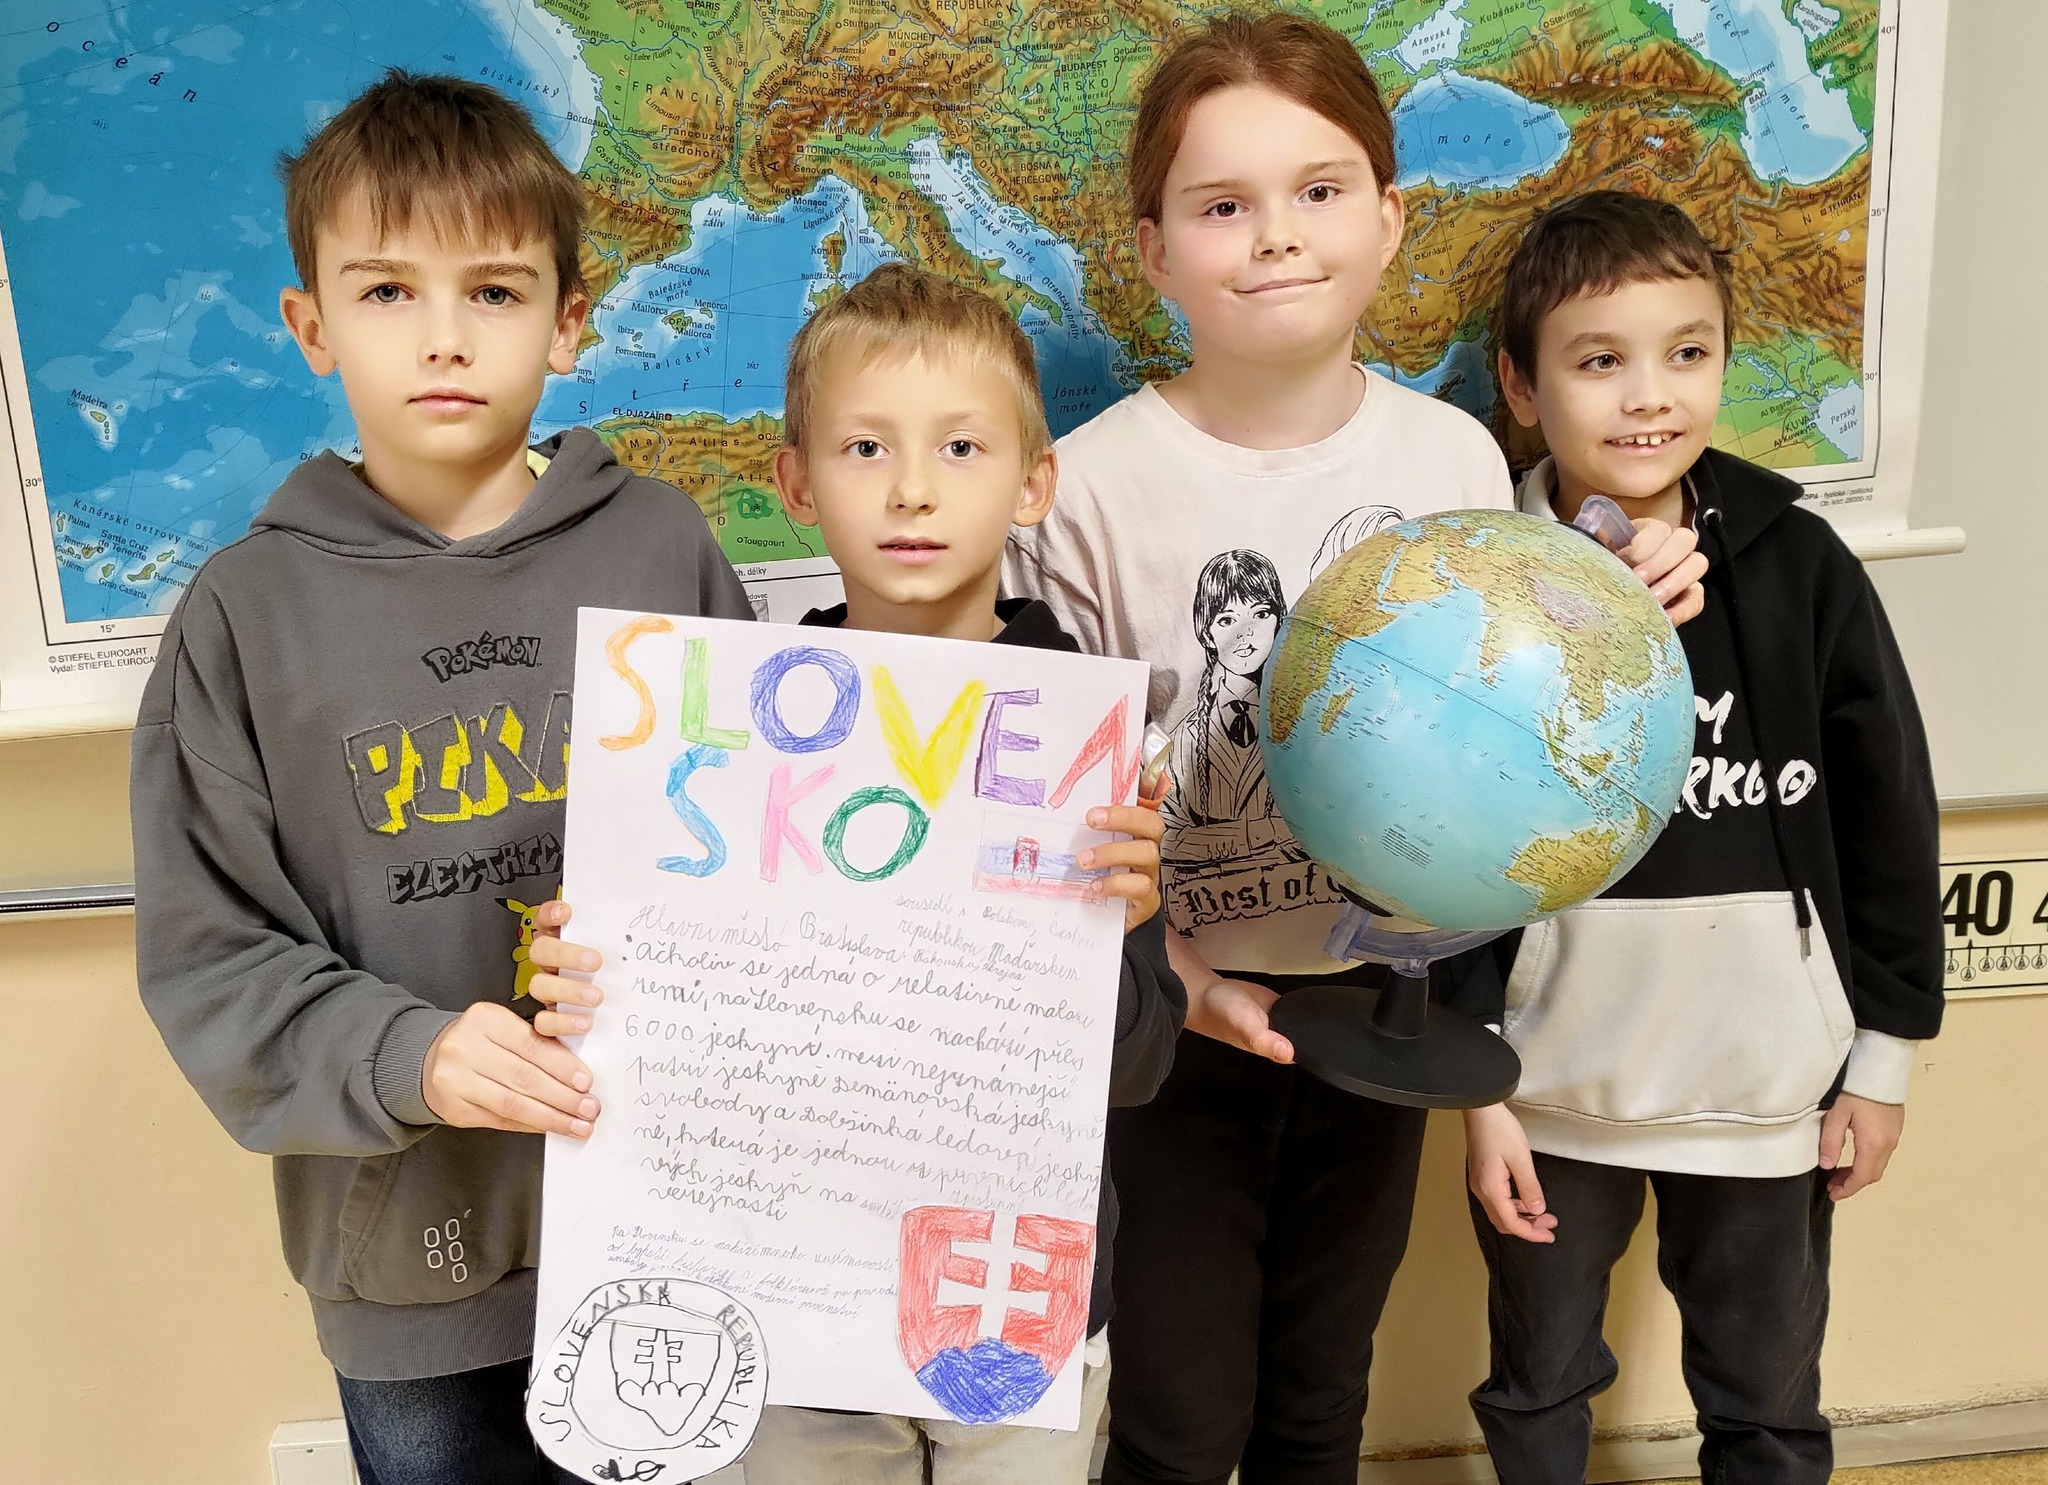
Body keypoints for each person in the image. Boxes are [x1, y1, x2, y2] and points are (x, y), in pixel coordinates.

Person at [1001, 16, 1708, 1485]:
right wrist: (1175, 978)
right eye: (1223, 204)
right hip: (1167, 1034)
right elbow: (1051, 811)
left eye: (1319, 192)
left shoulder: (1451, 461)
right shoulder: (1085, 491)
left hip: (1384, 1016)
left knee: (1324, 1402)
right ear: (1153, 249)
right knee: (1178, 1424)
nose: (1276, 236)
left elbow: (1507, 738)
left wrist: (1624, 586)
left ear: (1388, 220)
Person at [129, 71, 752, 1485]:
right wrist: (409, 1054)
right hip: (411, 1266)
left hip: (671, 1226)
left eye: (495, 290)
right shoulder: (244, 617)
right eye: (387, 291)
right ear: (312, 326)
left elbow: (766, 852)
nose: (444, 336)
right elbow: (211, 959)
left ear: (569, 321)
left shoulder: (663, 548)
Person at [524, 261, 1187, 1484]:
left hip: (1012, 1302)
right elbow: (673, 1022)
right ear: (796, 483)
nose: (912, 489)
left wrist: (1120, 927)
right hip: (792, 1292)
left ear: (1033, 483)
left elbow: (1141, 1067)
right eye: (865, 448)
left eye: (961, 448)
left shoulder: (1084, 746)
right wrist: (591, 977)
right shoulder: (724, 742)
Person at [1460, 189, 1945, 1484]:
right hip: (1548, 1092)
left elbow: (1889, 817)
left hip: (1765, 1090)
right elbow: (1434, 844)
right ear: (1520, 384)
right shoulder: (1477, 580)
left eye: (1687, 352)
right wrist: (1474, 1088)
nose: (1649, 396)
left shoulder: (1802, 567)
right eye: (1598, 361)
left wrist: (1883, 1060)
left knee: (1767, 1405)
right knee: (1536, 1387)